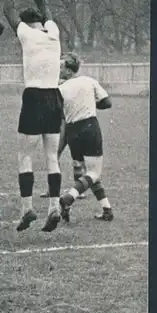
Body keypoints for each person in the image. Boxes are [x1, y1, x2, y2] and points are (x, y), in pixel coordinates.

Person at [1, 0, 63, 233]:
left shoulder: (25, 34)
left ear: (27, 24)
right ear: (43, 22)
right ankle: (54, 207)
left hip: (35, 97)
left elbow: (7, 9)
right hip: (54, 97)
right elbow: (45, 4)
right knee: (52, 157)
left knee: (24, 156)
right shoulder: (54, 32)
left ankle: (27, 208)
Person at [58, 53, 114, 222]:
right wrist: (90, 103)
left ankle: (107, 210)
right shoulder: (89, 81)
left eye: (61, 67)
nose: (59, 70)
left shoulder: (60, 89)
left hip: (72, 131)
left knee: (89, 174)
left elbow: (57, 112)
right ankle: (69, 197)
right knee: (94, 173)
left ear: (69, 69)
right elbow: (107, 102)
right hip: (89, 127)